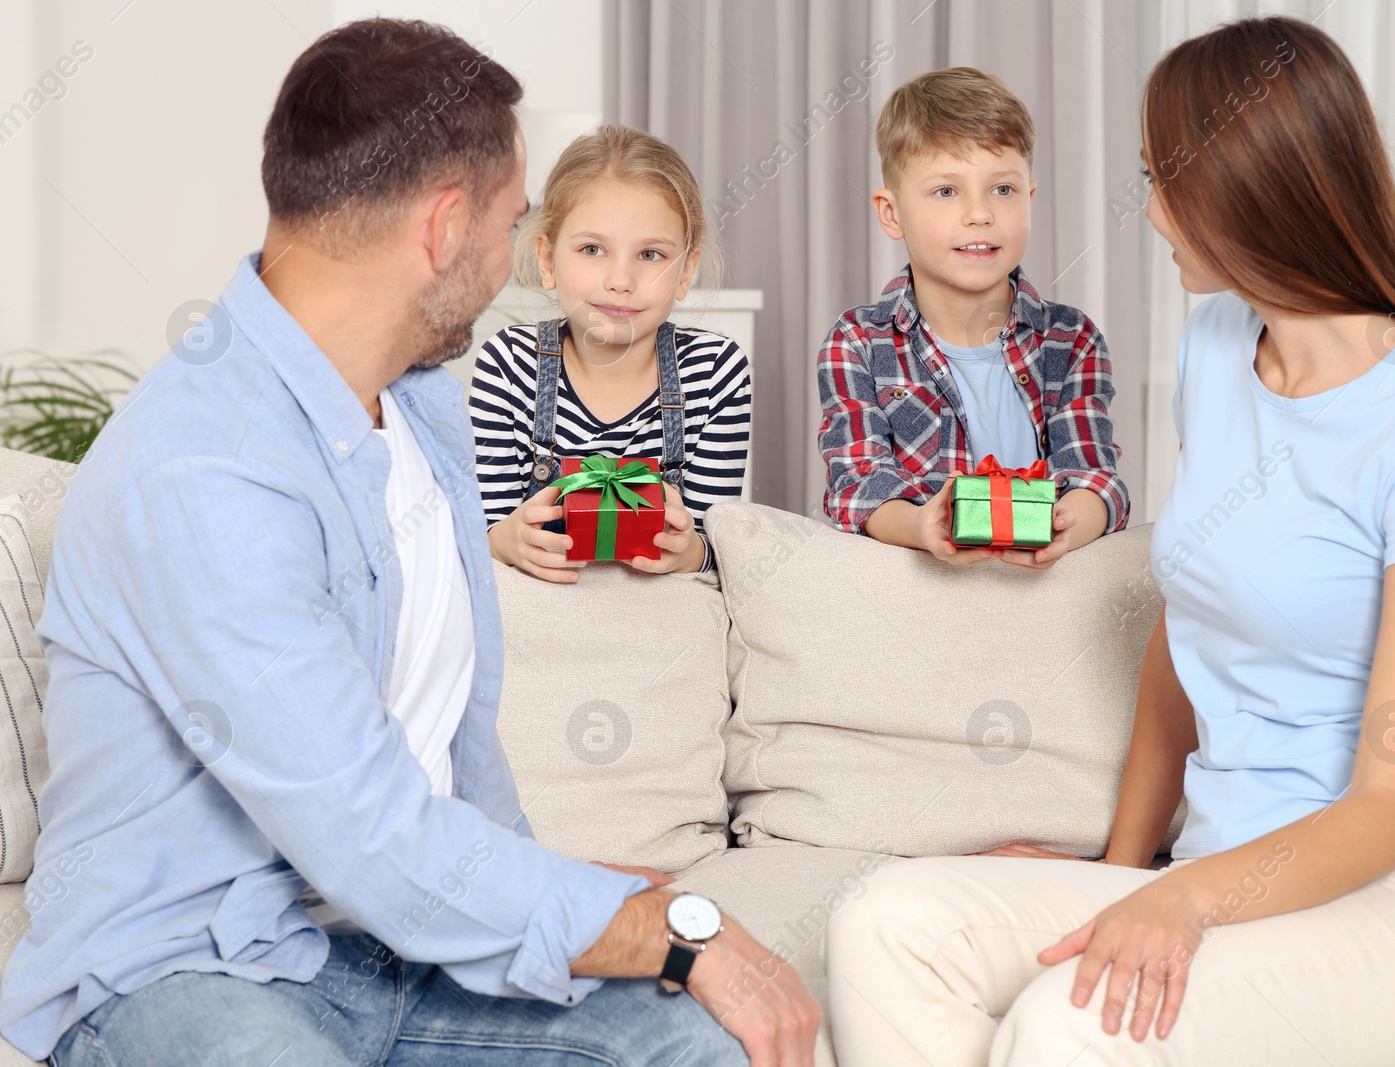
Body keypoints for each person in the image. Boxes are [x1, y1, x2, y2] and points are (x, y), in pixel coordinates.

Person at [0, 19, 816, 1066]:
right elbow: (372, 836)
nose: (515, 255)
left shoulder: (424, 408)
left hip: (397, 951)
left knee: (706, 1045)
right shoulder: (201, 466)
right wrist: (658, 930)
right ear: (444, 228)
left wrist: (547, 898)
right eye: (513, 222)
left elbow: (453, 764)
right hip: (185, 966)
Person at [824, 17, 1395, 1066]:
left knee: (1072, 1018)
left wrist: (1183, 901)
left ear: (1243, 188)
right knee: (883, 920)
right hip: (1211, 861)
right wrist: (1125, 869)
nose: (1146, 210)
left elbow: (1389, 802)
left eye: (1161, 179)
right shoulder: (1214, 339)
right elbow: (1184, 629)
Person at [815, 67, 1130, 568]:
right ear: (891, 213)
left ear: (1028, 199)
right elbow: (858, 485)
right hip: (919, 595)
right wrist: (923, 525)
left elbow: (1094, 477)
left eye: (1001, 190)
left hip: (1045, 592)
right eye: (947, 191)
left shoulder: (1072, 341)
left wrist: (1065, 529)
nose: (979, 213)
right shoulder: (857, 342)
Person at [473, 125, 752, 582]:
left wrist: (690, 552)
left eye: (650, 255)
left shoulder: (716, 371)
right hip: (534, 618)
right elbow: (478, 538)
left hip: (663, 624)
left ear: (686, 272)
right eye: (593, 249)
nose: (620, 278)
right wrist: (504, 541)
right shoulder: (507, 365)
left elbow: (718, 552)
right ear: (547, 261)